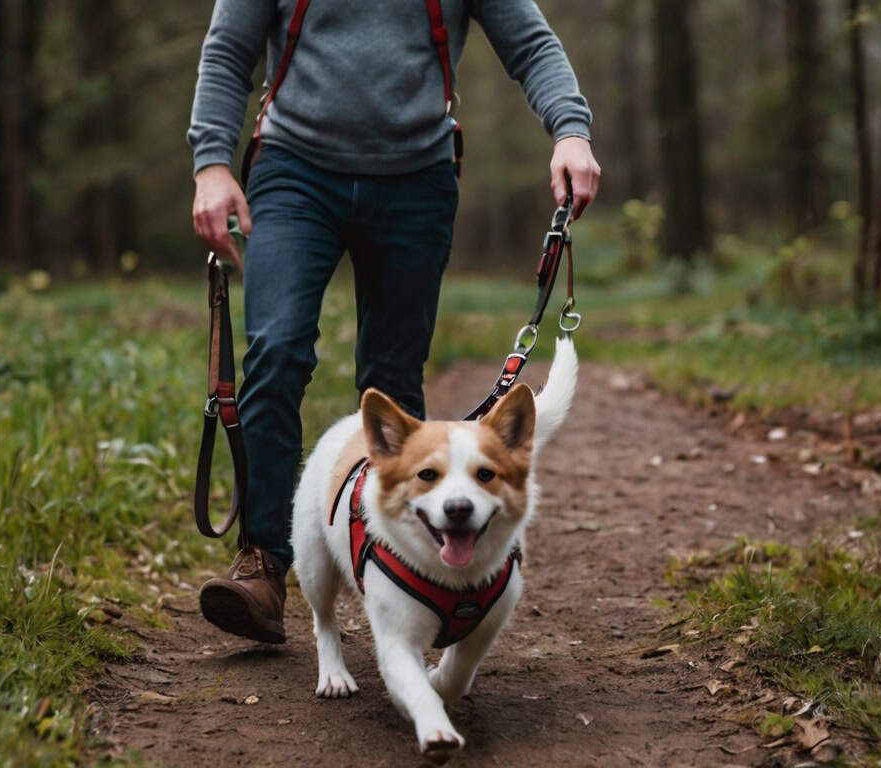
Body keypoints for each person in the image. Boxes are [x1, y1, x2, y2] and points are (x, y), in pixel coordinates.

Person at [188, 0, 601, 644]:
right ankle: (264, 565)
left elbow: (531, 44)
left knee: (391, 380)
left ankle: (412, 574)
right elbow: (227, 53)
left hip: (417, 180)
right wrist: (212, 163)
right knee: (276, 351)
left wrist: (570, 130)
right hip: (294, 171)